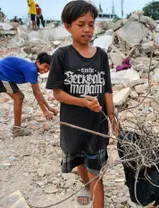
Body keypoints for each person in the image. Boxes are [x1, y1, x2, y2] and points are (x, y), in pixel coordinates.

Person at [46, 1, 118, 207]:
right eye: (81, 24)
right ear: (68, 26)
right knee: (80, 162)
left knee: (97, 175)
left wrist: (112, 119)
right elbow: (58, 93)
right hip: (73, 126)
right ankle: (85, 186)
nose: (87, 29)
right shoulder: (62, 55)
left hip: (97, 126)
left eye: (91, 24)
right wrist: (82, 102)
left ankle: (94, 194)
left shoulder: (101, 56)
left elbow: (107, 90)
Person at [0, 53, 58, 137]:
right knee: (19, 97)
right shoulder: (32, 70)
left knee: (19, 96)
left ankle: (17, 127)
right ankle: (17, 129)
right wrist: (45, 112)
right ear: (38, 62)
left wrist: (48, 108)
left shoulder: (32, 69)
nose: (46, 70)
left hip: (3, 74)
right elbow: (36, 92)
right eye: (45, 66)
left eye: (48, 68)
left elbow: (38, 92)